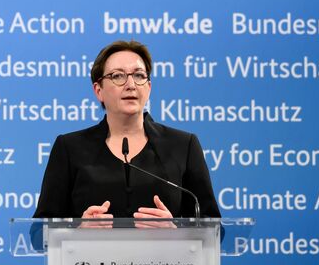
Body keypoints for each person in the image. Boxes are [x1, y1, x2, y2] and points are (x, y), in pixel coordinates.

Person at [33, 40, 220, 221]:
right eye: (118, 76)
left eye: (139, 76)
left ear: (148, 87)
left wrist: (175, 232)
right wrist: (79, 231)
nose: (131, 85)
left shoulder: (183, 146)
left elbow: (213, 229)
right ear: (98, 90)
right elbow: (39, 232)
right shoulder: (69, 148)